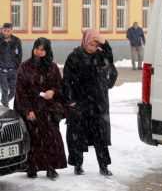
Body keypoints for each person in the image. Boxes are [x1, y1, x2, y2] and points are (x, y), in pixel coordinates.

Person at [62, 29, 118, 176]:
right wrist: (70, 101)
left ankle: (104, 166)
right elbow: (66, 80)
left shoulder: (100, 56)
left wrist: (104, 42)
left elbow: (110, 59)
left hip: (98, 102)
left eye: (95, 44)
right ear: (85, 41)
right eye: (91, 44)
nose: (92, 47)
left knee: (100, 136)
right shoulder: (74, 57)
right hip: (80, 102)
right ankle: (78, 165)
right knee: (77, 136)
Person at [14, 37, 67, 179]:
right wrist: (27, 110)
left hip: (48, 109)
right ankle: (32, 167)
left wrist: (53, 92)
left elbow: (59, 87)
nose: (38, 52)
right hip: (32, 109)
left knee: (51, 139)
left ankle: (51, 167)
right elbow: (20, 91)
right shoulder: (25, 67)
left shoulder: (53, 67)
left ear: (47, 51)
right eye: (36, 48)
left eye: (42, 49)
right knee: (33, 139)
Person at [0, 23, 22, 107]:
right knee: (5, 90)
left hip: (13, 70)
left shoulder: (16, 40)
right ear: (2, 30)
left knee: (13, 91)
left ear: (11, 31)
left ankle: (4, 101)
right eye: (4, 30)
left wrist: (18, 66)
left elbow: (19, 53)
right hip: (2, 70)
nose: (6, 32)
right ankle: (5, 107)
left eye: (8, 31)